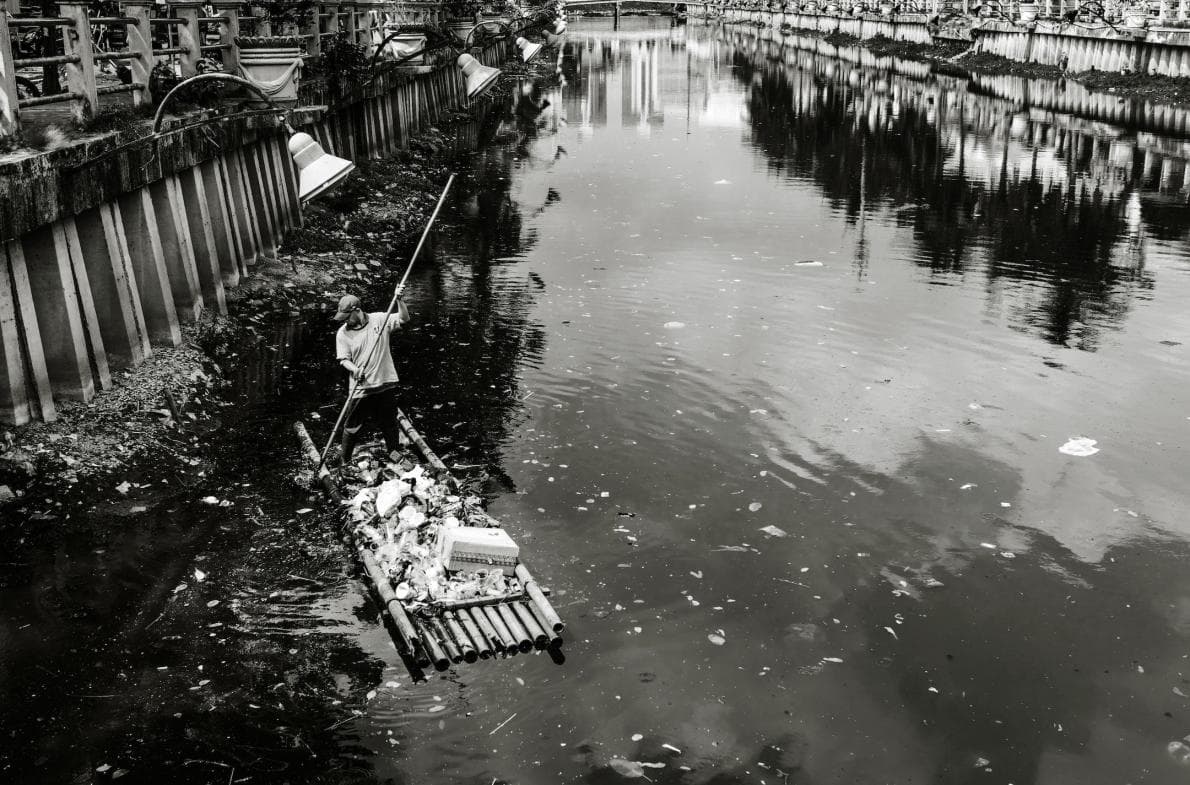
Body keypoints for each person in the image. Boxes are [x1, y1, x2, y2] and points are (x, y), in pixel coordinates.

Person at [333, 287, 410, 466]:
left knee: (389, 422)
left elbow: (404, 318)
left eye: (347, 316)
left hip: (385, 382)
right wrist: (354, 369)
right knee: (352, 425)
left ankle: (394, 454)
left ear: (357, 310)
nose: (345, 320)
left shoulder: (380, 319)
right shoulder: (343, 333)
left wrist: (399, 299)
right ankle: (345, 461)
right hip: (361, 387)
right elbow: (343, 359)